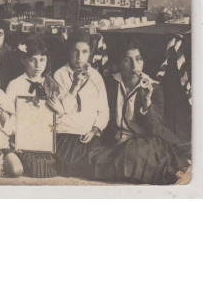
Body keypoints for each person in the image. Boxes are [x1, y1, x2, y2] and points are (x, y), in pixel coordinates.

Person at [90, 39, 190, 184]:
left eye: (138, 59)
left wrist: (146, 101)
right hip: (117, 139)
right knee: (93, 159)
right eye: (127, 60)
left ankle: (174, 173)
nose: (134, 65)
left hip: (145, 140)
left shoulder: (154, 88)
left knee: (135, 154)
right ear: (119, 63)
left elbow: (154, 128)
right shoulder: (110, 84)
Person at [52, 32, 109, 178]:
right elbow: (63, 109)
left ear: (90, 53)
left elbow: (103, 110)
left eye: (85, 52)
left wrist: (95, 130)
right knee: (67, 166)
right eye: (75, 51)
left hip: (89, 133)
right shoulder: (60, 74)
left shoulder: (96, 76)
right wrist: (75, 86)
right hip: (67, 132)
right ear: (68, 52)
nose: (80, 57)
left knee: (94, 165)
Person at [6, 37, 64, 178]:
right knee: (36, 164)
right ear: (24, 61)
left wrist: (59, 110)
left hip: (45, 136)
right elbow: (9, 115)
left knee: (59, 162)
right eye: (33, 60)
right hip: (23, 137)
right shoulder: (15, 85)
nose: (38, 65)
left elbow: (57, 118)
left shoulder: (51, 84)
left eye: (42, 60)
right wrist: (13, 137)